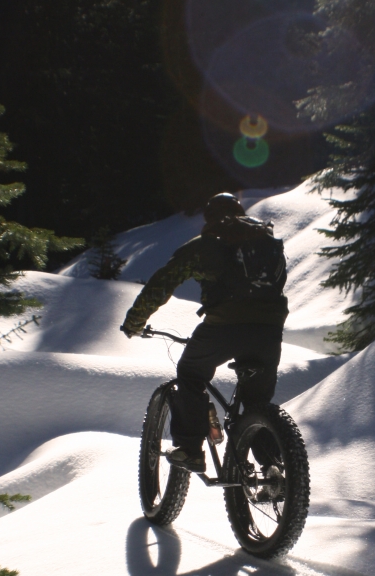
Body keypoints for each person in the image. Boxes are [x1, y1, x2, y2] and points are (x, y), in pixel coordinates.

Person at [120, 192, 288, 473]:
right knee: (258, 403)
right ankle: (275, 468)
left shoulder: (205, 245)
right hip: (269, 331)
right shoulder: (265, 244)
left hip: (224, 327)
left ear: (210, 218)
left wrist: (135, 321)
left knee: (190, 373)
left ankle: (190, 450)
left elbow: (163, 281)